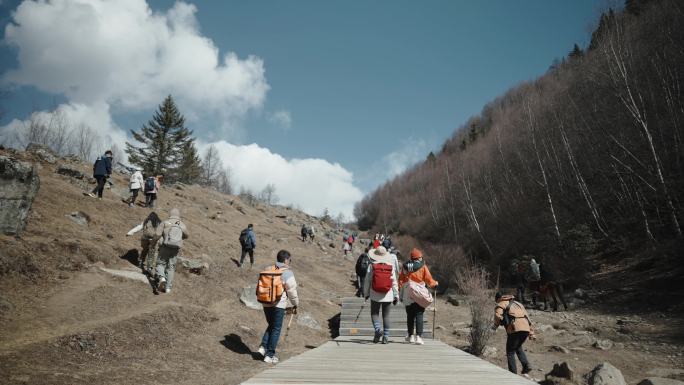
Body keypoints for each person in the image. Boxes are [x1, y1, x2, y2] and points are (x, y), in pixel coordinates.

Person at [258, 250, 299, 364]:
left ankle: (263, 347)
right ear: (286, 260)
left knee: (271, 325)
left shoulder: (268, 268)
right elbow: (292, 290)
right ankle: (270, 355)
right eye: (290, 260)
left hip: (266, 302)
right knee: (276, 329)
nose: (290, 262)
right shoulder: (287, 272)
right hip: (278, 304)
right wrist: (295, 303)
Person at [398, 248, 438, 345]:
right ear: (419, 257)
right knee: (419, 314)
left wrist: (400, 291)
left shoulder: (405, 266)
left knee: (410, 315)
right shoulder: (423, 267)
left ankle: (410, 336)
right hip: (419, 293)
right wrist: (434, 284)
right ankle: (419, 337)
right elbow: (429, 279)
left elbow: (401, 280)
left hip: (408, 292)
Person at [363, 246, 399, 344]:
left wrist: (366, 293)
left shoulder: (372, 266)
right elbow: (394, 282)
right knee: (386, 316)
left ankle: (378, 331)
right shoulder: (390, 266)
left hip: (375, 294)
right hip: (388, 294)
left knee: (374, 313)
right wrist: (396, 295)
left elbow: (367, 281)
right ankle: (386, 337)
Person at [493, 292, 535, 374]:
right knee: (518, 347)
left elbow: (498, 315)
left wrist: (495, 326)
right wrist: (532, 333)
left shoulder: (501, 303)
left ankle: (513, 373)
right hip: (525, 329)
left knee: (510, 351)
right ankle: (526, 365)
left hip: (514, 329)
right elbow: (527, 318)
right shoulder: (518, 304)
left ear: (498, 299)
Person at [155, 208, 188, 294]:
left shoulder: (165, 222)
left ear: (170, 214)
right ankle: (168, 288)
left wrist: (153, 243)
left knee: (160, 263)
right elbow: (187, 235)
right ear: (178, 215)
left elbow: (157, 234)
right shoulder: (182, 224)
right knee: (171, 267)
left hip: (165, 247)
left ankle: (161, 278)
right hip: (175, 249)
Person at [126, 211, 163, 276]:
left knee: (145, 250)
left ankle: (140, 262)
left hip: (145, 238)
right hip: (153, 240)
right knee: (151, 253)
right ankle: (149, 268)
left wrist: (130, 233)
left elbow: (139, 227)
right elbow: (160, 233)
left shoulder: (146, 221)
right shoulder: (159, 222)